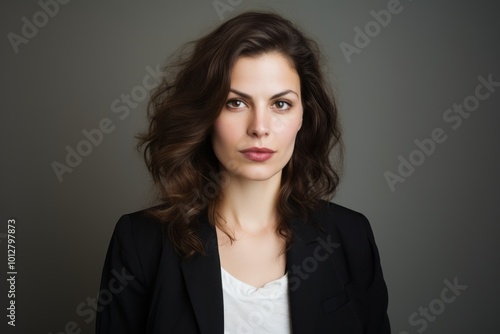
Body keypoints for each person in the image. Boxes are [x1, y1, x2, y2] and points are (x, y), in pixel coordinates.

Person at [96, 10, 390, 334]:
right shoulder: (141, 242)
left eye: (280, 104)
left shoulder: (350, 236)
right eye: (236, 103)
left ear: (304, 115)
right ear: (206, 114)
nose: (259, 128)